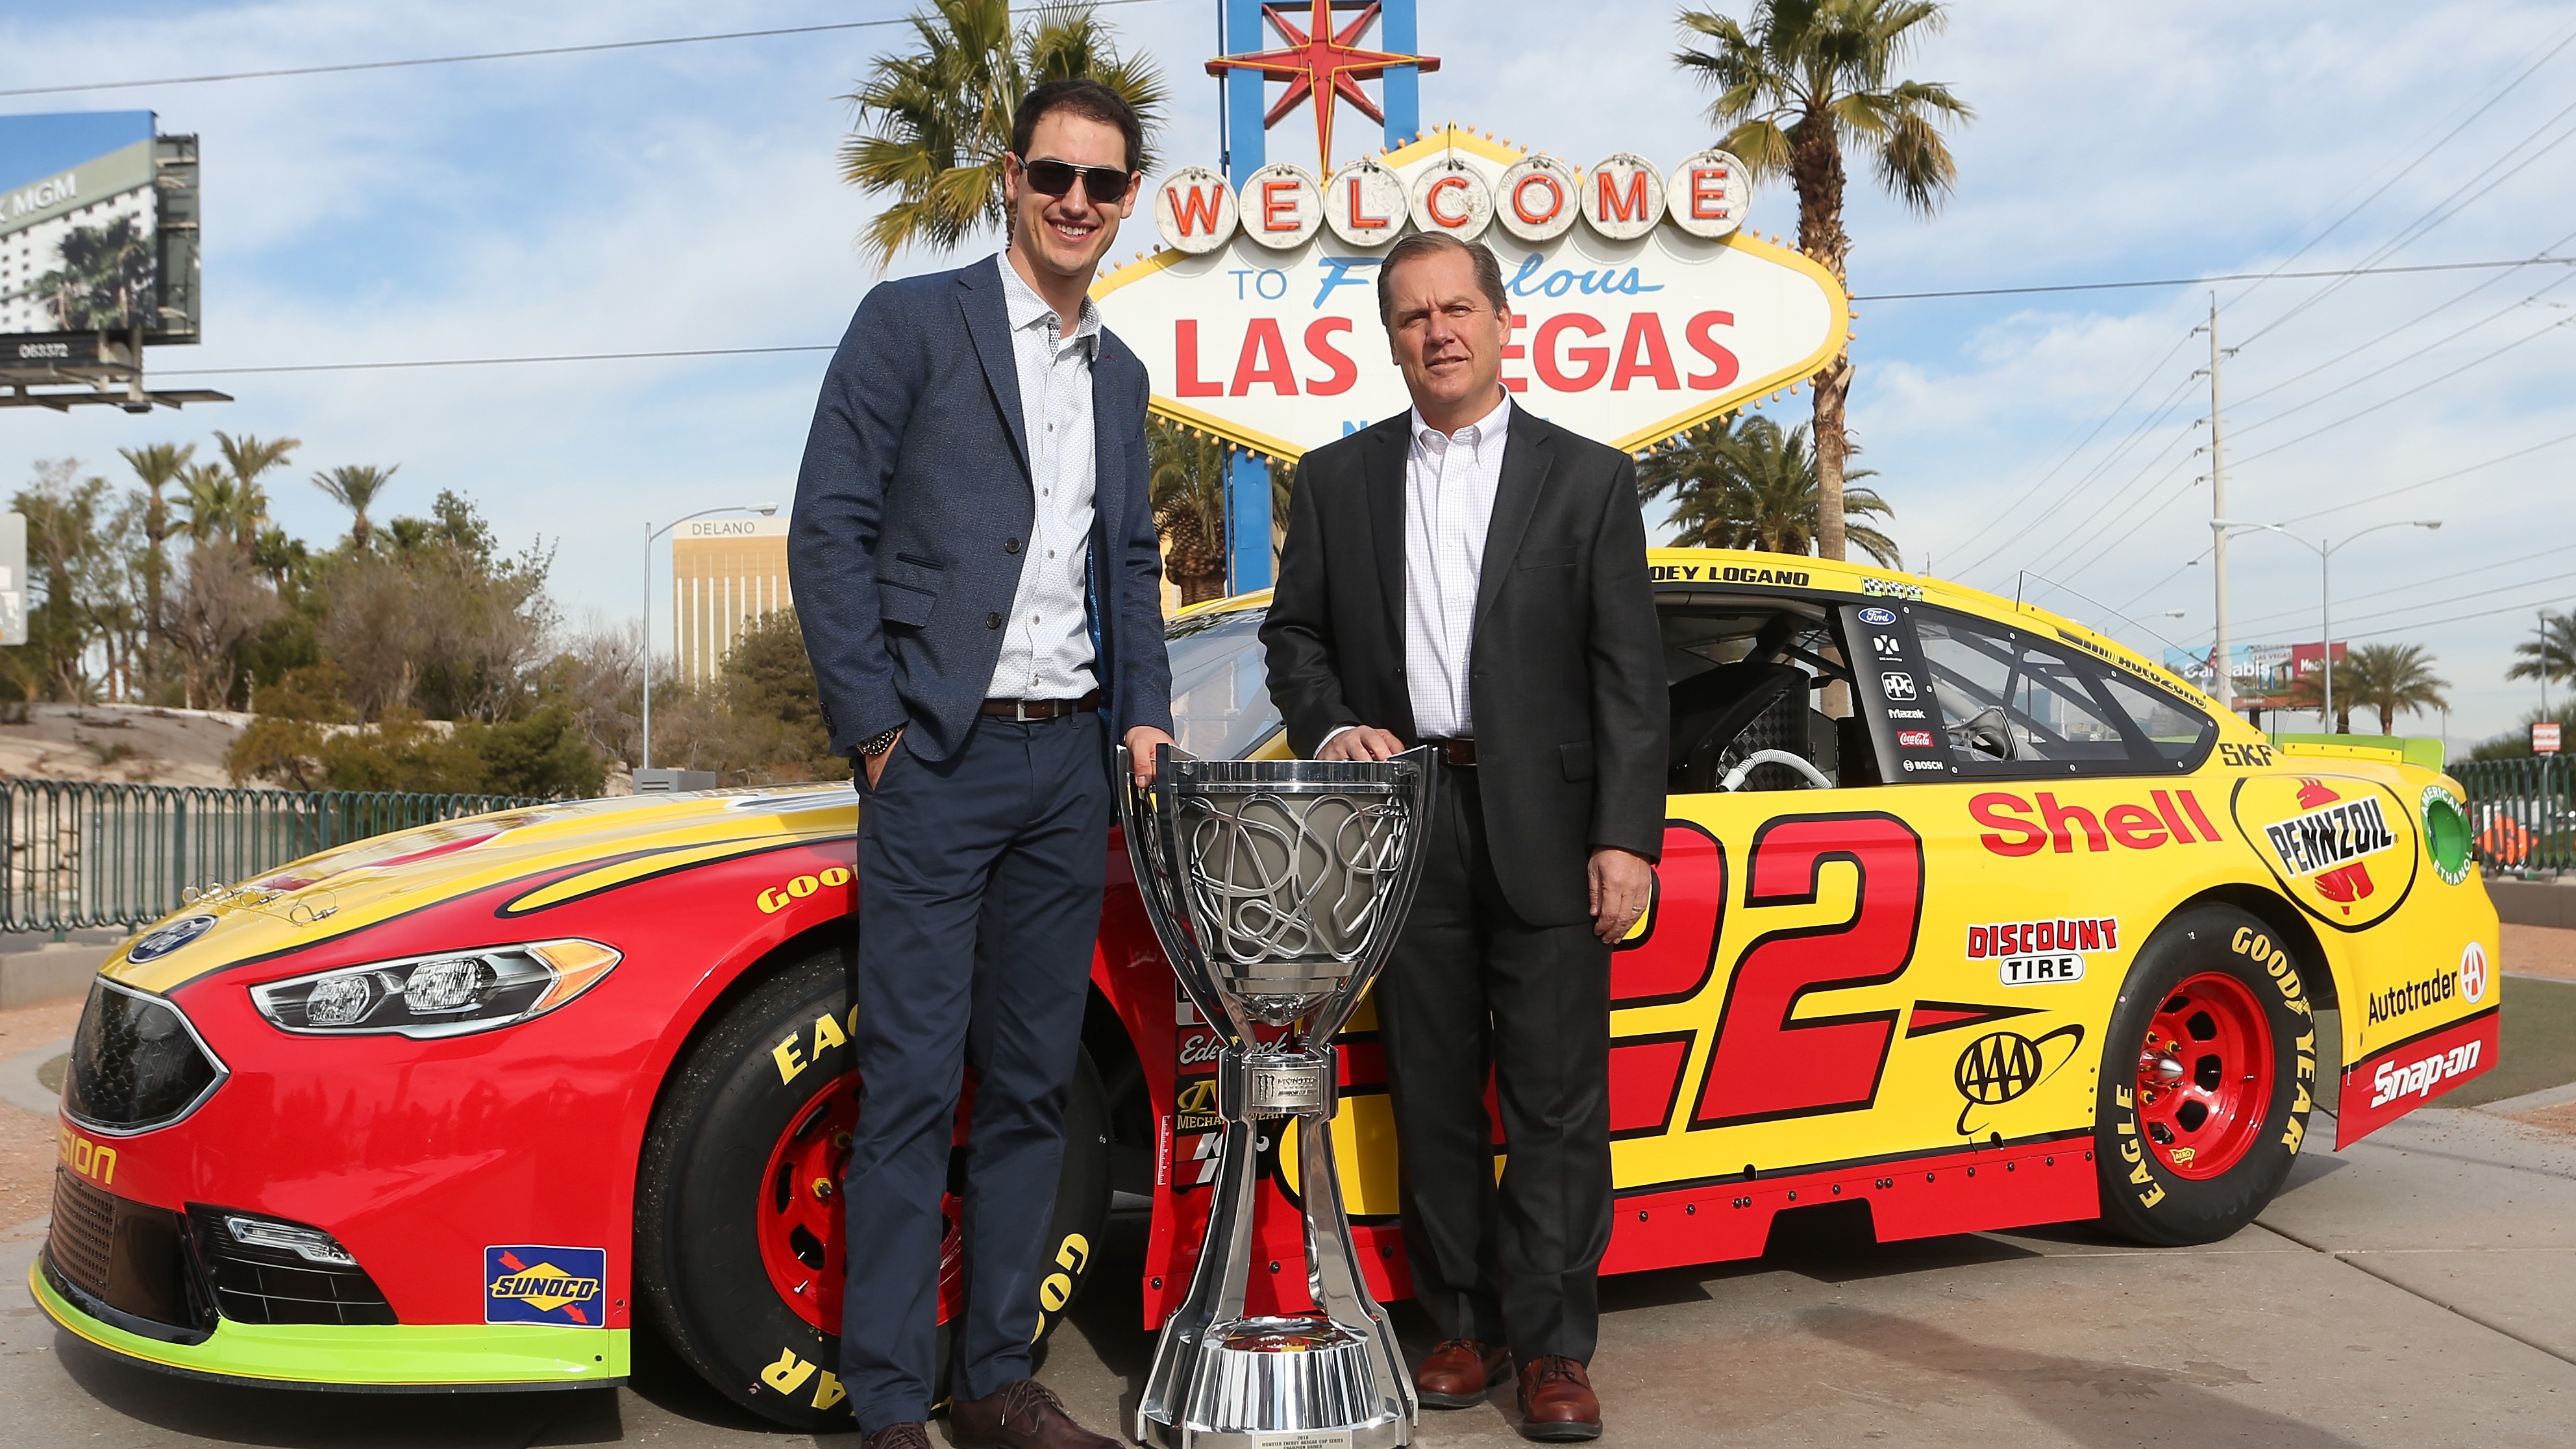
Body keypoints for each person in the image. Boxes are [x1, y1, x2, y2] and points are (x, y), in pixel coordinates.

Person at [789, 78, 1175, 1449]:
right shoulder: (911, 324)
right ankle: (890, 1402)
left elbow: (1125, 560)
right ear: (1011, 177)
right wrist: (880, 732)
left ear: (1128, 202)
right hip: (936, 761)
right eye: (1057, 176)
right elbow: (825, 528)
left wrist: (1142, 713)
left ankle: (997, 1376)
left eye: (1105, 184)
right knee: (905, 1085)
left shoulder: (1119, 376)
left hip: (1069, 767)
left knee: (1027, 1083)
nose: (1078, 202)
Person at [1259, 232, 1666, 1443]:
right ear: (1390, 340)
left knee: (1551, 1104)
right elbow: (1295, 643)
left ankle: (1552, 1347)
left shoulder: (1588, 481)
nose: (1437, 332)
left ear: (1501, 322)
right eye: (1411, 316)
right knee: (1431, 1091)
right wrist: (1333, 730)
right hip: (1407, 824)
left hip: (1547, 824)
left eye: (1456, 309)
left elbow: (1628, 677)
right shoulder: (1337, 484)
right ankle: (1463, 1324)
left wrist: (1624, 836)